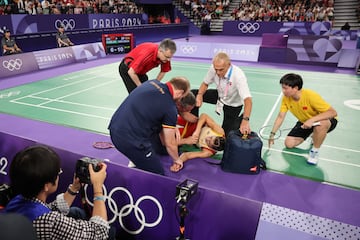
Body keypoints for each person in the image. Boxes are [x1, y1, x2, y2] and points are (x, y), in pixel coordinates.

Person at [5, 144, 110, 239]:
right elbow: (99, 233)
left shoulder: (17, 200)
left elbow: (46, 209)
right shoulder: (49, 222)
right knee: (110, 232)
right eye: (58, 172)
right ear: (46, 186)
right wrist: (98, 188)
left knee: (76, 212)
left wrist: (74, 188)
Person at [108, 76, 190, 175]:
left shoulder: (152, 82)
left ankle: (137, 158)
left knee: (156, 126)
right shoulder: (170, 107)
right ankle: (137, 159)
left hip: (114, 129)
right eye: (182, 96)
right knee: (158, 174)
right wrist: (177, 160)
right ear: (180, 92)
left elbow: (153, 111)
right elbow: (169, 143)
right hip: (129, 141)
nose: (180, 99)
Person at [268, 73, 338, 165]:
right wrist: (272, 134)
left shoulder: (310, 96)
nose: (283, 91)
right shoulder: (286, 98)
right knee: (289, 144)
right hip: (305, 122)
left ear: (296, 88)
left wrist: (312, 120)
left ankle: (315, 151)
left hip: (326, 120)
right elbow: (280, 116)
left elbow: (332, 113)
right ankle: (314, 134)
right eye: (282, 88)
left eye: (285, 88)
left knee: (322, 124)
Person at [191, 52, 253, 136]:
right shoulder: (214, 68)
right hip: (219, 96)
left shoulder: (238, 75)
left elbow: (248, 100)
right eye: (216, 69)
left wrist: (245, 120)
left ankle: (238, 120)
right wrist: (200, 95)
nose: (218, 73)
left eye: (221, 70)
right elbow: (205, 83)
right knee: (193, 94)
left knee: (225, 134)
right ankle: (193, 125)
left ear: (229, 65)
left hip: (233, 105)